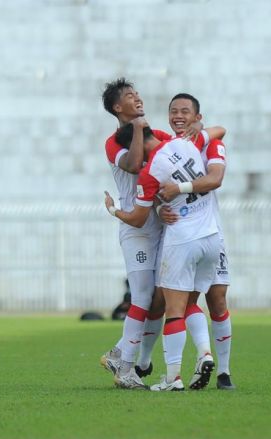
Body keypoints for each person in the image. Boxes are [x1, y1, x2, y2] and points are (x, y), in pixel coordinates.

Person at [104, 123, 221, 391]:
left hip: (183, 240)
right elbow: (219, 131)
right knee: (193, 303)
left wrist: (113, 210)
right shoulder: (185, 143)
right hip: (212, 237)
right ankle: (204, 352)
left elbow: (136, 218)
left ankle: (172, 378)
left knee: (174, 309)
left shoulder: (149, 173)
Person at [99, 78, 174, 389]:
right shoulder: (114, 142)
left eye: (138, 93)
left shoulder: (157, 134)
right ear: (118, 107)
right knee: (142, 296)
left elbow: (178, 156)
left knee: (160, 299)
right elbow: (133, 165)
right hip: (136, 227)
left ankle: (122, 353)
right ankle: (127, 368)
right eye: (130, 96)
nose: (138, 98)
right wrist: (142, 130)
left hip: (162, 226)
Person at [157, 93, 235, 390]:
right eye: (173, 111)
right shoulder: (168, 146)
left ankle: (224, 372)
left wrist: (180, 187)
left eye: (185, 111)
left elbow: (215, 178)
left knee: (217, 300)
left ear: (197, 117)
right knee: (186, 301)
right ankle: (203, 357)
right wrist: (159, 209)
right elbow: (156, 188)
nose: (178, 116)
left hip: (211, 233)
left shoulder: (211, 143)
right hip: (182, 235)